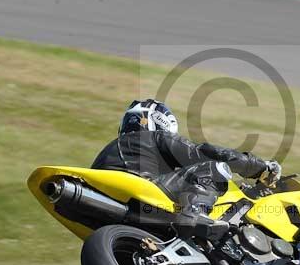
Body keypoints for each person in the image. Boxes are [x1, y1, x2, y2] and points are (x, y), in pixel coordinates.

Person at [91, 99, 281, 237]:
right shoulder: (156, 137)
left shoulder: (110, 149)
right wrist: (258, 168)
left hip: (107, 203)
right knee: (216, 168)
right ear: (161, 122)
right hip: (143, 188)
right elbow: (205, 153)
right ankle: (195, 211)